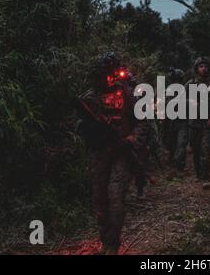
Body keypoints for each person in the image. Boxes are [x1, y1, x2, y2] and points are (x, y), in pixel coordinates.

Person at [75, 52, 149, 254]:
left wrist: (132, 139)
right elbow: (80, 126)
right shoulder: (89, 98)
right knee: (100, 200)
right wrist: (93, 131)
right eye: (104, 75)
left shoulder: (126, 92)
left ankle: (112, 243)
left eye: (111, 74)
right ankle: (105, 238)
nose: (108, 79)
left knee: (116, 197)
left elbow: (142, 120)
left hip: (121, 153)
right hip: (98, 154)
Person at [185, 57, 210, 190]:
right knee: (196, 149)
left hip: (207, 123)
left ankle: (206, 177)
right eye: (201, 66)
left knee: (206, 150)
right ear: (196, 68)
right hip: (194, 122)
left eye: (205, 66)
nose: (203, 69)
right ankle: (199, 174)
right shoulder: (190, 84)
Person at [164, 67, 188, 173]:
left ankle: (179, 165)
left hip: (183, 120)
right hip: (170, 120)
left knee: (181, 142)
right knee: (171, 142)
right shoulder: (168, 90)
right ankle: (173, 160)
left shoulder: (185, 90)